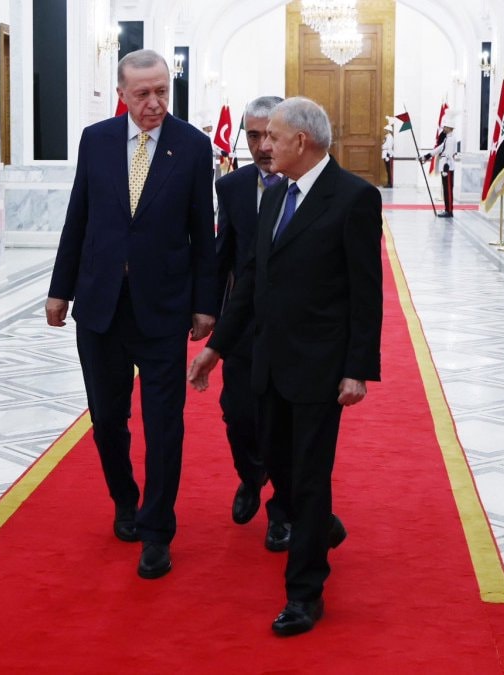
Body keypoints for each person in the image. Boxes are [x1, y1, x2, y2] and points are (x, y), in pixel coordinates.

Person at [188, 97, 383, 636]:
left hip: (321, 367)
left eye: (272, 136)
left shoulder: (355, 198)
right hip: (267, 361)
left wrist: (358, 369)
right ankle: (321, 526)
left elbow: (367, 293)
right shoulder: (274, 195)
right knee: (276, 461)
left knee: (309, 475)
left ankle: (304, 593)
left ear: (302, 140)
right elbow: (251, 282)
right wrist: (217, 348)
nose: (263, 146)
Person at [46, 49, 217, 580]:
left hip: (163, 307)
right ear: (121, 94)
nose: (155, 103)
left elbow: (203, 233)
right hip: (101, 306)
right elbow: (78, 217)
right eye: (143, 94)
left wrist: (205, 305)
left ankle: (158, 530)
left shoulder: (192, 146)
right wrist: (60, 290)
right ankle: (125, 499)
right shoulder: (96, 140)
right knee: (106, 419)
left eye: (162, 91)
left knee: (164, 425)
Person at [213, 95, 293, 551]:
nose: (263, 146)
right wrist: (207, 311)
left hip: (295, 331)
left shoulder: (313, 184)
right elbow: (224, 255)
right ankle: (250, 474)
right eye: (253, 136)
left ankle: (282, 511)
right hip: (243, 328)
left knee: (286, 425)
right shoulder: (232, 187)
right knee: (238, 415)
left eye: (270, 135)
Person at [423, 119, 458, 217]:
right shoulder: (448, 138)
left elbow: (448, 155)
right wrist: (427, 156)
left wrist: (446, 168)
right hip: (445, 167)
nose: (444, 128)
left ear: (450, 128)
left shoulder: (451, 139)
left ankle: (449, 211)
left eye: (445, 127)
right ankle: (447, 209)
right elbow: (439, 148)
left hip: (447, 167)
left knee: (448, 190)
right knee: (446, 190)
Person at [381, 122, 395, 188]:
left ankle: (390, 183)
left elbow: (389, 146)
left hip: (387, 154)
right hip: (385, 153)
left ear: (388, 130)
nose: (385, 130)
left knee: (389, 170)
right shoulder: (387, 136)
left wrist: (388, 155)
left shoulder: (389, 137)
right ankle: (388, 183)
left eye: (386, 129)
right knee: (387, 169)